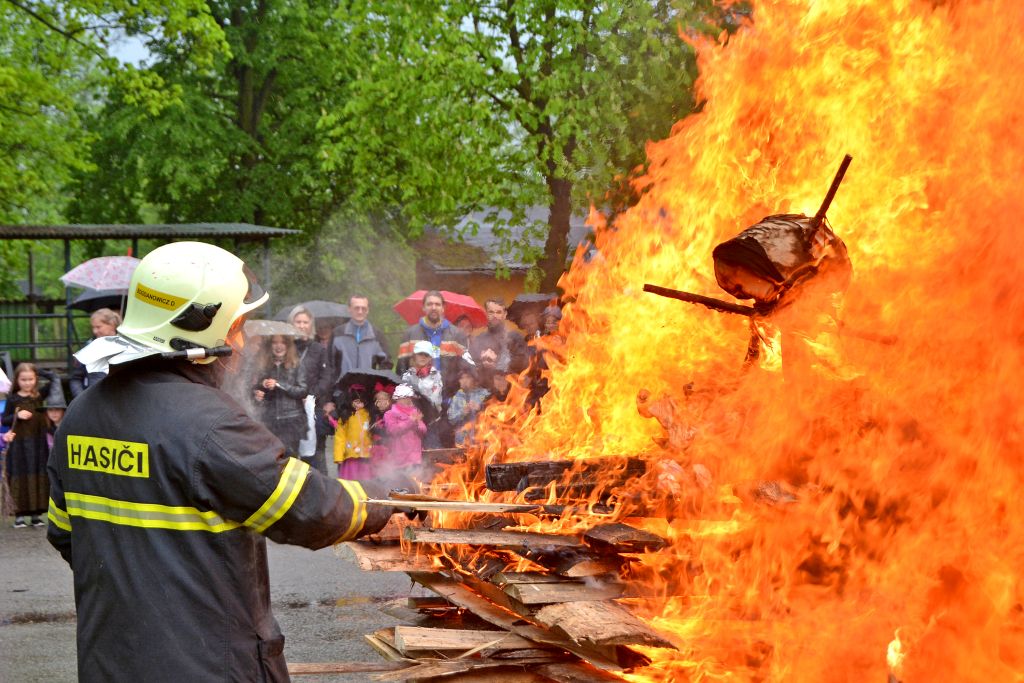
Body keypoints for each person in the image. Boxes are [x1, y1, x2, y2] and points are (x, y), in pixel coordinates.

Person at [46, 241, 405, 682]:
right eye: (236, 327)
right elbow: (308, 509)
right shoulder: (211, 425)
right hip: (208, 665)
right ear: (197, 330)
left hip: (111, 664)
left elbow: (66, 536)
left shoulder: (80, 417)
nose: (239, 342)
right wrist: (387, 501)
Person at [2, 363, 50, 527]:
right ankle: (19, 515)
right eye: (23, 379)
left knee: (38, 474)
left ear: (35, 379)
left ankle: (36, 514)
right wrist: (18, 415)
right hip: (19, 445)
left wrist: (39, 370)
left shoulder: (39, 396)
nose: (27, 383)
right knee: (20, 475)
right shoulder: (13, 398)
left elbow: (55, 379)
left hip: (37, 443)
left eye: (30, 379)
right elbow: (4, 419)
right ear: (17, 380)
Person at [395, 290, 468, 396]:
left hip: (448, 396)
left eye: (437, 304)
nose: (433, 307)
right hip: (418, 397)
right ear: (423, 308)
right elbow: (401, 368)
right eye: (429, 304)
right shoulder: (410, 334)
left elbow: (464, 368)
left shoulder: (457, 335)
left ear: (443, 308)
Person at [288, 305, 331, 475]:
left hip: (313, 407)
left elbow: (326, 376)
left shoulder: (318, 349)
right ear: (292, 324)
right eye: (298, 321)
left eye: (305, 322)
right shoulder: (285, 348)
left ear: (310, 325)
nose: (302, 325)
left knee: (316, 454)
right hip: (289, 408)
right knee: (290, 453)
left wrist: (312, 395)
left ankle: (321, 492)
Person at [253, 334, 308, 459]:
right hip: (269, 419)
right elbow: (254, 388)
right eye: (274, 342)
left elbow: (303, 390)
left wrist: (279, 384)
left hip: (291, 420)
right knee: (272, 459)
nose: (278, 346)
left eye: (282, 342)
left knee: (290, 459)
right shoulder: (264, 364)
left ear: (288, 345)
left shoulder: (296, 364)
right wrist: (259, 389)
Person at [68, 308, 122, 399]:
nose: (95, 331)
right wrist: (81, 398)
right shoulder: (88, 348)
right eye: (93, 327)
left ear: (112, 325)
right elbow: (76, 378)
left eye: (98, 327)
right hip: (93, 401)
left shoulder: (127, 346)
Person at [400, 340, 444, 448]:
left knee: (433, 450)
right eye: (420, 354)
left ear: (430, 358)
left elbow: (436, 398)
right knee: (412, 451)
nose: (423, 357)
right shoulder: (407, 376)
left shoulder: (436, 375)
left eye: (426, 355)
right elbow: (403, 399)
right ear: (414, 356)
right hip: (412, 421)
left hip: (431, 420)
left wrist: (420, 398)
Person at [469, 298, 529, 375]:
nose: (495, 316)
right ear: (486, 314)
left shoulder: (515, 338)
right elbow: (471, 367)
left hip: (511, 385)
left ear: (505, 314)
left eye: (498, 312)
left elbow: (523, 364)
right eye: (491, 312)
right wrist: (482, 362)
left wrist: (497, 362)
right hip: (486, 386)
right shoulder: (479, 340)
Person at [380, 384, 426, 476]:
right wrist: (410, 421)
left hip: (415, 458)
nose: (409, 400)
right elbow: (393, 430)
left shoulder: (415, 411)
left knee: (416, 487)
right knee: (403, 488)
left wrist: (417, 423)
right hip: (400, 460)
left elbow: (423, 431)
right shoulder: (390, 414)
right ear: (398, 399)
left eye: (410, 397)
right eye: (406, 397)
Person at [331, 385, 373, 480]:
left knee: (366, 480)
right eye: (356, 402)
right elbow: (340, 437)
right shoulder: (345, 417)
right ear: (350, 401)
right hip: (351, 455)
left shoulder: (369, 415)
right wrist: (338, 456)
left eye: (361, 402)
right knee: (351, 480)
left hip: (367, 454)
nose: (359, 404)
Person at [447, 366, 490, 446]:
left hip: (480, 441)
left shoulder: (484, 394)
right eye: (461, 378)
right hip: (462, 441)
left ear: (474, 379)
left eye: (467, 377)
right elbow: (451, 419)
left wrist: (480, 408)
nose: (464, 381)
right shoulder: (457, 396)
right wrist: (463, 412)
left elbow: (495, 414)